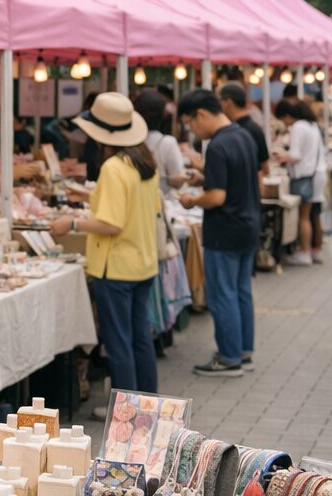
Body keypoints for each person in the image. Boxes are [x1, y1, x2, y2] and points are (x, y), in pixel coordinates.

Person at [50, 94, 160, 395]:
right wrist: (86, 196)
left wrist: (70, 223)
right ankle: (149, 408)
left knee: (118, 343)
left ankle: (125, 414)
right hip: (143, 262)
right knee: (140, 339)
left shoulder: (113, 167)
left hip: (116, 268)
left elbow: (111, 224)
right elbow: (137, 205)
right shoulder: (144, 162)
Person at [176, 89, 260, 376]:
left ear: (200, 114)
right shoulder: (243, 135)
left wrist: (191, 199)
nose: (193, 129)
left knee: (222, 295)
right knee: (240, 292)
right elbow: (238, 177)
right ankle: (243, 351)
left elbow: (216, 197)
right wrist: (205, 177)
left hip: (224, 229)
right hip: (248, 225)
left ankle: (228, 358)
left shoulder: (218, 145)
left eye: (190, 123)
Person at [274, 98, 324, 265]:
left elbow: (296, 155)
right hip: (314, 173)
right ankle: (314, 250)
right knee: (312, 215)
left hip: (303, 175)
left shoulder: (298, 127)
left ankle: (304, 252)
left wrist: (281, 156)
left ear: (287, 115)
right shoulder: (312, 125)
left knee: (303, 217)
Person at [134, 89, 188, 198]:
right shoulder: (168, 143)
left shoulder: (128, 140)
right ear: (162, 114)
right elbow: (177, 178)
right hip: (162, 202)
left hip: (134, 199)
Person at [219, 82, 270, 177]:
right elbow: (265, 167)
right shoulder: (254, 128)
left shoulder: (235, 131)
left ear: (227, 102)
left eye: (220, 101)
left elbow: (264, 167)